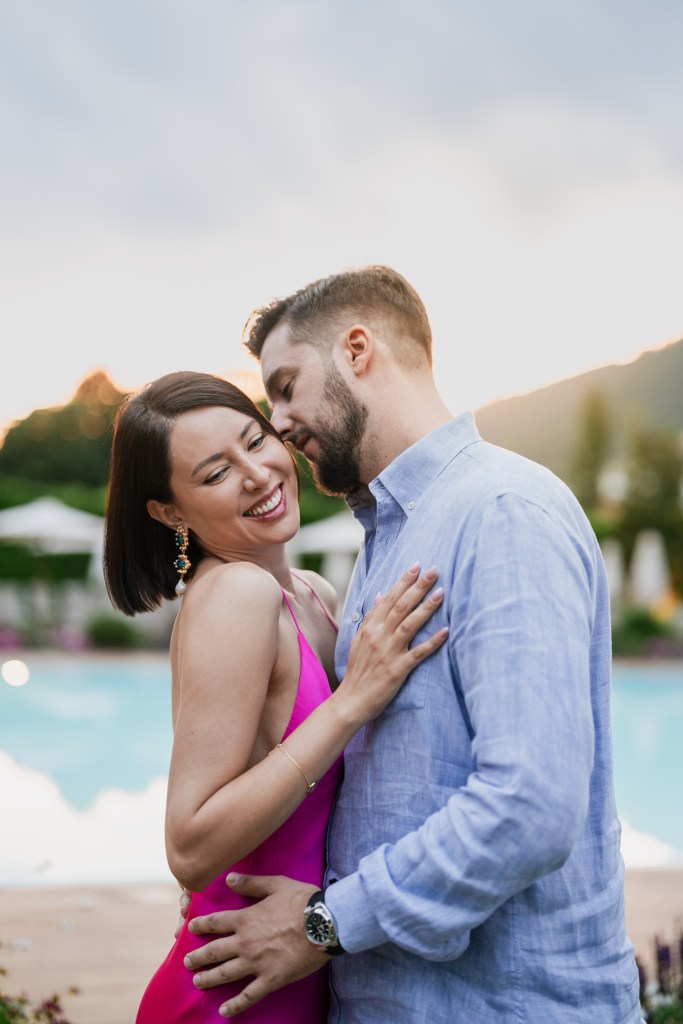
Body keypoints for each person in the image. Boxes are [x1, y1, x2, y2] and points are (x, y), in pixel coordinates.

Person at [184, 267, 643, 1023]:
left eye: (286, 385)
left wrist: (324, 924)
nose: (280, 422)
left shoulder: (500, 511)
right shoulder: (384, 541)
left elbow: (528, 806)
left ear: (357, 350)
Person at [103, 369, 448, 1024]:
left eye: (254, 441)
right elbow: (191, 847)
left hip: (295, 961)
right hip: (234, 988)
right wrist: (350, 705)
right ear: (169, 512)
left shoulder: (313, 593)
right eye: (213, 473)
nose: (257, 474)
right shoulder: (237, 595)